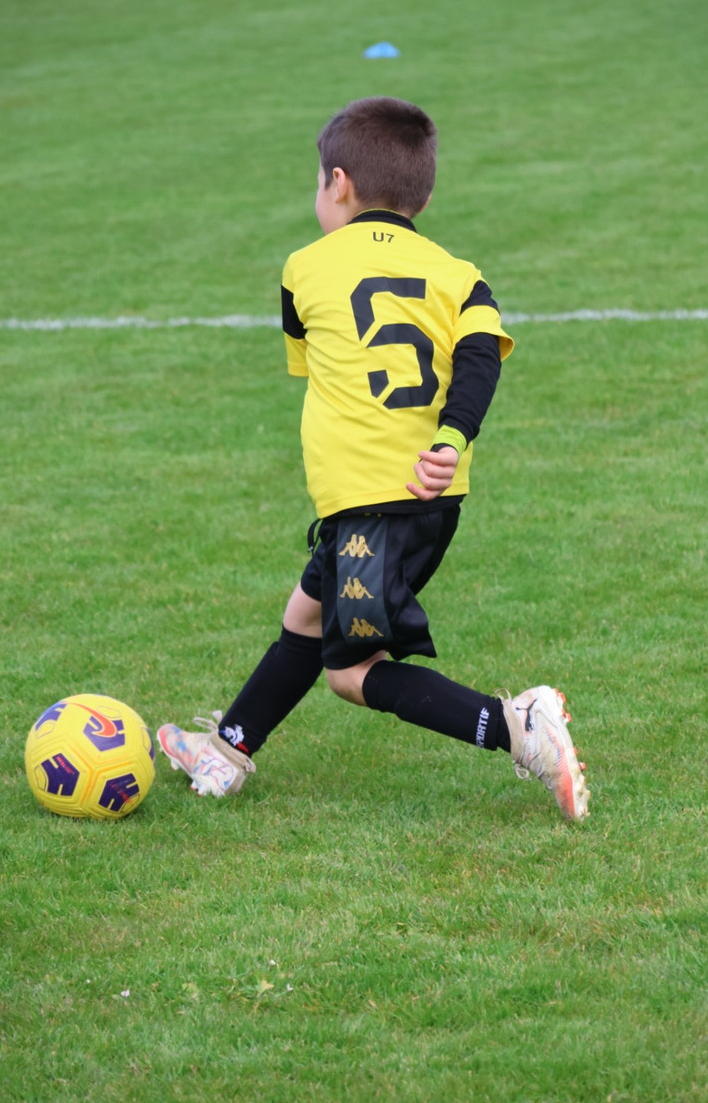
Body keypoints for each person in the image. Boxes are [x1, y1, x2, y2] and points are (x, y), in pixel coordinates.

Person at [157, 96, 590, 821]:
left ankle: (519, 727)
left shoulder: (303, 269)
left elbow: (316, 366)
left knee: (351, 671)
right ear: (424, 196)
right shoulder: (460, 274)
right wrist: (451, 441)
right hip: (424, 495)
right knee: (305, 617)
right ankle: (227, 750)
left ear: (338, 183)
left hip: (372, 504)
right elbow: (480, 361)